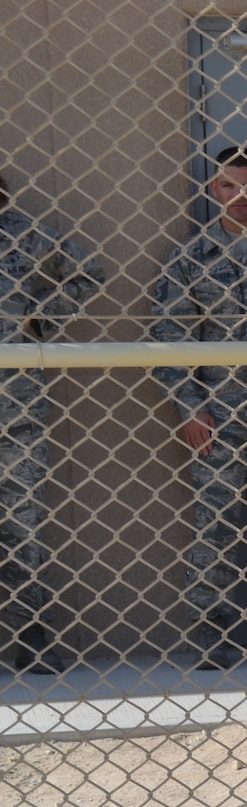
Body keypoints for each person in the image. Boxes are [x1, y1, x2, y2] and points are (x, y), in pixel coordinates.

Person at [148, 146, 247, 668]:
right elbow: (169, 338)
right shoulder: (191, 258)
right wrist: (190, 408)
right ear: (213, 191)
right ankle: (214, 633)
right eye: (226, 186)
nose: (237, 196)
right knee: (216, 522)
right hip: (219, 413)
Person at [0, 166, 103, 674]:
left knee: (22, 528)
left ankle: (31, 636)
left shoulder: (22, 232)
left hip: (16, 408)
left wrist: (41, 319)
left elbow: (87, 273)